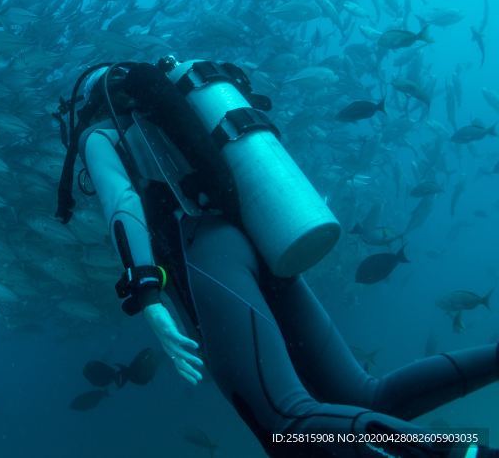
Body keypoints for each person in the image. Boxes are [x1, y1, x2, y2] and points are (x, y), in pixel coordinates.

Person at [54, 57, 499, 458]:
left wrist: (148, 295)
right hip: (260, 241)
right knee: (365, 396)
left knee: (288, 426)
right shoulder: (177, 120)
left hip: (210, 255)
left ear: (91, 104)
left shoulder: (100, 135)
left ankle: (456, 455)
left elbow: (121, 203)